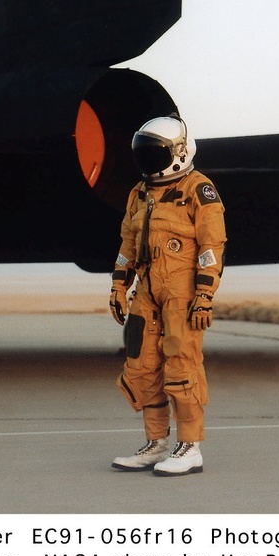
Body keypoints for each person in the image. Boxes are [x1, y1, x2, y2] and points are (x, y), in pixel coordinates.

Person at [108, 116, 226, 475]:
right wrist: (118, 285)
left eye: (154, 152)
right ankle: (157, 443)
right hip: (146, 291)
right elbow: (128, 243)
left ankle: (190, 447)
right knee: (142, 367)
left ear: (179, 151)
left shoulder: (197, 189)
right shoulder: (140, 193)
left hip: (181, 294)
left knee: (181, 367)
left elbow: (212, 246)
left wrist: (204, 294)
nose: (147, 160)